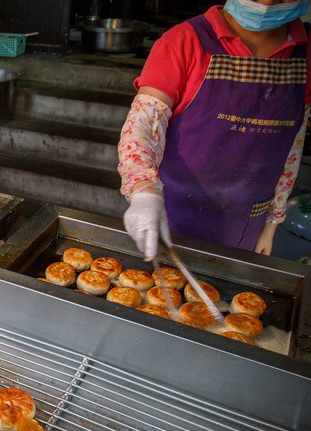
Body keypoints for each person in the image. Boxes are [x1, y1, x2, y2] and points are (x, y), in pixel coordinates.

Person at [118, 0, 310, 260]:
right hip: (172, 215)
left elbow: (293, 145)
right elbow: (143, 124)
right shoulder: (185, 41)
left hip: (246, 224)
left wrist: (272, 221)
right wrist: (142, 189)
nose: (268, 1)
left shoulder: (306, 54)